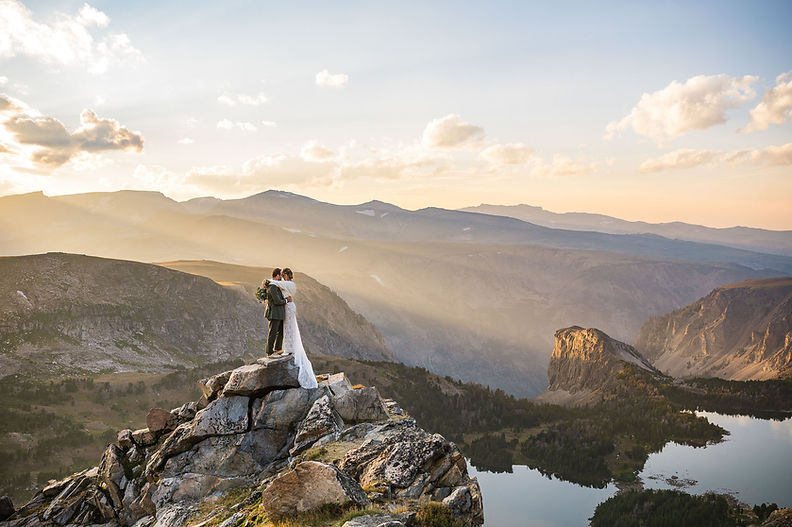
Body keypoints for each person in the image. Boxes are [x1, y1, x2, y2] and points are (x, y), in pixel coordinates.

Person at [267, 268, 318, 388]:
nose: (282, 277)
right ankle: (288, 348)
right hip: (287, 306)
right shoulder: (285, 284)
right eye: (281, 275)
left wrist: (266, 282)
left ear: (285, 275)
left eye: (283, 275)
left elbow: (275, 283)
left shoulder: (288, 284)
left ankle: (289, 348)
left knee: (289, 327)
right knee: (287, 328)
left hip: (288, 306)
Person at [263, 268, 289, 356]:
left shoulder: (276, 285)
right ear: (277, 275)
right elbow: (277, 301)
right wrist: (286, 301)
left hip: (279, 313)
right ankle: (269, 352)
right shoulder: (272, 287)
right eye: (281, 275)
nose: (281, 277)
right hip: (274, 313)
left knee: (281, 332)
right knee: (272, 333)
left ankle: (278, 349)